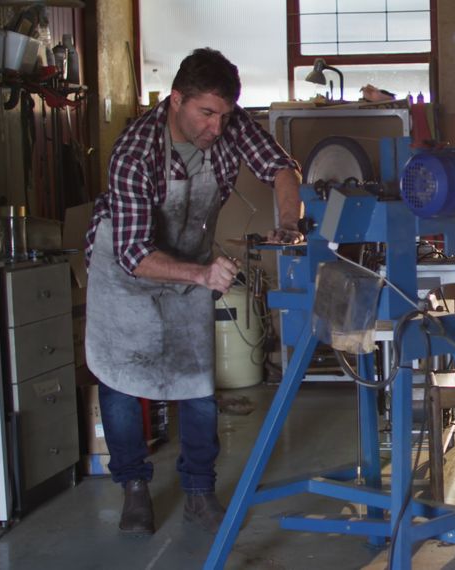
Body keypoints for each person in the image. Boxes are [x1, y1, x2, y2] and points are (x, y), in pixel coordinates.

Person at [84, 48, 302, 536]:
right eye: (207, 114)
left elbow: (281, 168)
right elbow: (135, 254)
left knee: (198, 385)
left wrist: (289, 224)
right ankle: (134, 490)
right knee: (123, 381)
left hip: (188, 259)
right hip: (126, 269)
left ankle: (200, 493)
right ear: (176, 100)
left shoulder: (227, 119)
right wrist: (202, 276)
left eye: (223, 116)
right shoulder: (135, 151)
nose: (217, 129)